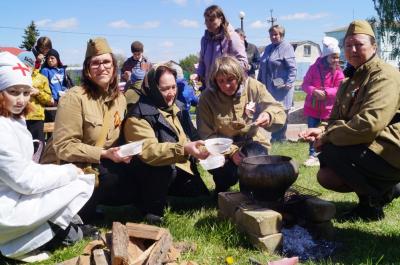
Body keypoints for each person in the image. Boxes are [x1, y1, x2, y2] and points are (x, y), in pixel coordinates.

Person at [299, 20, 400, 221]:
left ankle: (373, 201)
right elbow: (335, 118)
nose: (353, 50)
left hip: (391, 148)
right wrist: (321, 130)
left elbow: (369, 124)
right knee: (326, 171)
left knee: (332, 150)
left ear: (374, 46)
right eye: (348, 45)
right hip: (370, 145)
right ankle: (386, 190)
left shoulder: (384, 75)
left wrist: (328, 137)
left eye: (359, 44)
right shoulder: (349, 81)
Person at [0, 51, 94, 262]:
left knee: (72, 181)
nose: (21, 99)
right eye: (13, 92)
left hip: (13, 195)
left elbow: (27, 171)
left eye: (26, 92)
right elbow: (26, 180)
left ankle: (63, 230)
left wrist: (64, 172)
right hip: (5, 209)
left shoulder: (13, 120)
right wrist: (68, 172)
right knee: (76, 184)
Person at [49, 37, 134, 222]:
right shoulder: (74, 98)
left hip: (108, 159)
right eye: (95, 63)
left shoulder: (119, 99)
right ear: (87, 69)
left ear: (114, 66)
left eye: (106, 62)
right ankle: (80, 215)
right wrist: (103, 153)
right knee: (110, 177)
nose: (102, 67)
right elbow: (63, 147)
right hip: (78, 165)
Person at [123, 63, 210, 222]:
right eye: (164, 89)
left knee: (199, 199)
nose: (171, 93)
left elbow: (190, 137)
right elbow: (148, 151)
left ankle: (167, 197)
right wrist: (183, 149)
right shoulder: (138, 116)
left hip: (178, 167)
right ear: (153, 89)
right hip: (150, 173)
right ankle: (149, 208)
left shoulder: (176, 108)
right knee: (164, 167)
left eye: (173, 87)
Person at [197, 55, 286, 194]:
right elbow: (206, 134)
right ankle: (222, 189)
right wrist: (231, 152)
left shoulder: (253, 86)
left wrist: (269, 115)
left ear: (239, 77)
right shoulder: (207, 98)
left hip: (251, 141)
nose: (226, 86)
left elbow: (277, 109)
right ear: (214, 80)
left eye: (230, 80)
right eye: (220, 81)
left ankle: (250, 193)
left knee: (256, 159)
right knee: (226, 173)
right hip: (221, 147)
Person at [301, 37, 344, 167]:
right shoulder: (313, 68)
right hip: (313, 108)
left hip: (328, 109)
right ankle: (312, 155)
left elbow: (340, 88)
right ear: (326, 56)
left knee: (327, 132)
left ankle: (326, 155)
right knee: (312, 133)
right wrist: (313, 91)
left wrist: (326, 93)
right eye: (333, 57)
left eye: (337, 57)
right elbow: (305, 84)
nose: (336, 60)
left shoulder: (338, 71)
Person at [194, 5, 248, 90]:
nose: (208, 23)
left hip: (229, 89)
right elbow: (202, 62)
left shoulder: (232, 37)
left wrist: (225, 73)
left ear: (221, 19)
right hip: (210, 89)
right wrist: (198, 74)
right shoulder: (204, 40)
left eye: (211, 20)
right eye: (206, 20)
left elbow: (243, 62)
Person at [258, 24, 297, 142]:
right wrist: (259, 83)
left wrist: (289, 82)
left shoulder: (287, 47)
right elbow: (262, 65)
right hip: (269, 87)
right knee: (271, 110)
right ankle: (277, 138)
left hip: (282, 88)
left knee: (281, 112)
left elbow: (293, 68)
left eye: (276, 34)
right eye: (271, 35)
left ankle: (278, 139)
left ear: (282, 35)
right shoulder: (268, 48)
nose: (273, 37)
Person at [17, 51, 53, 149]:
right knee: (20, 146)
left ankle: (37, 163)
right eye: (22, 65)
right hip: (18, 117)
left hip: (36, 118)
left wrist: (38, 93)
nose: (25, 68)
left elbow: (49, 100)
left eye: (27, 65)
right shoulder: (15, 78)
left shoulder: (42, 78)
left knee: (37, 146)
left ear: (33, 65)